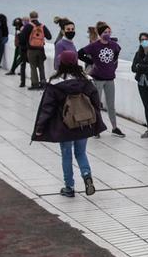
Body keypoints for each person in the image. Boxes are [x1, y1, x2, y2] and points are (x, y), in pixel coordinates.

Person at [32, 50, 106, 197]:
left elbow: (47, 108)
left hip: (64, 126)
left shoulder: (55, 82)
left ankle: (69, 187)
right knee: (81, 153)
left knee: (67, 155)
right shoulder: (85, 79)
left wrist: (40, 128)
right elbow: (95, 101)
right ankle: (87, 176)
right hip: (83, 123)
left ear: (61, 63)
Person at [79, 22, 124, 137]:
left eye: (109, 32)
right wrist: (92, 62)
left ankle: (114, 127)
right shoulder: (94, 46)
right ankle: (96, 127)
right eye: (105, 32)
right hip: (97, 79)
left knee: (111, 105)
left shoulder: (114, 45)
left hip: (110, 79)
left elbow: (117, 52)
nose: (108, 34)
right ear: (100, 33)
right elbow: (80, 53)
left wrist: (113, 65)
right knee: (96, 104)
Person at [20, 11, 51, 90]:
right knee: (41, 67)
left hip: (31, 50)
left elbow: (22, 38)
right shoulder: (42, 26)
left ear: (30, 17)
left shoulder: (28, 26)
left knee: (33, 67)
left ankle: (35, 84)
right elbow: (49, 37)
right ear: (38, 16)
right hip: (41, 50)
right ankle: (43, 83)